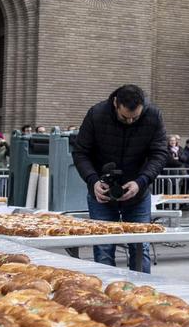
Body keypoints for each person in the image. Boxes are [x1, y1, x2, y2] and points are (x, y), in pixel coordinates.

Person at [72, 84, 170, 273]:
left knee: (141, 248)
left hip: (138, 193)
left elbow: (159, 154)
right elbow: (80, 152)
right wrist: (93, 180)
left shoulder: (154, 116)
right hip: (102, 193)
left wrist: (141, 181)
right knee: (103, 250)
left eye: (135, 118)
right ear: (115, 103)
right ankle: (107, 290)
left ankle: (141, 290)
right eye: (125, 117)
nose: (130, 121)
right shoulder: (96, 114)